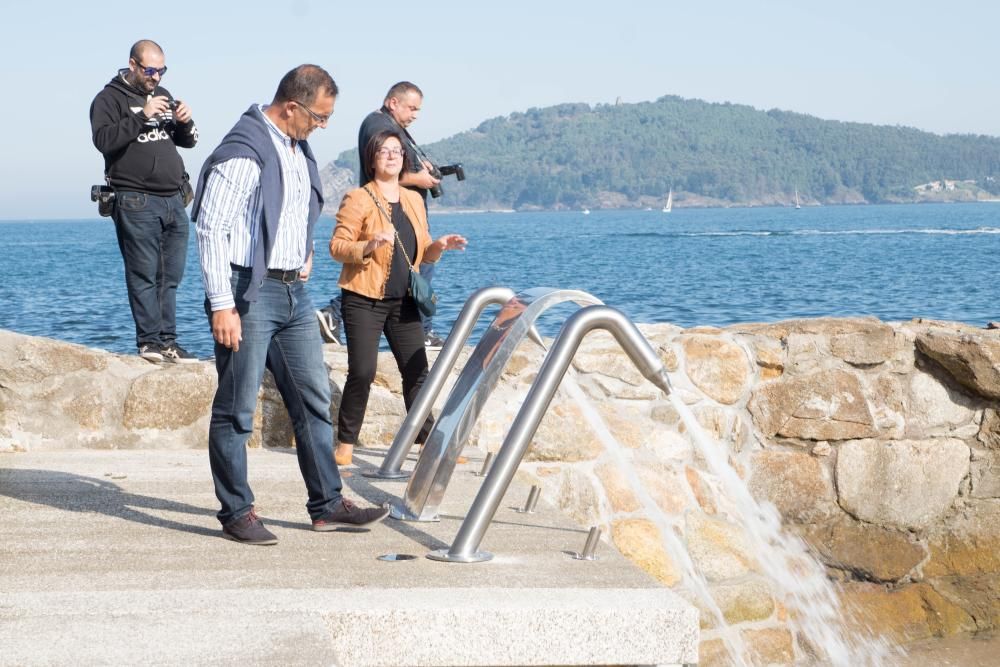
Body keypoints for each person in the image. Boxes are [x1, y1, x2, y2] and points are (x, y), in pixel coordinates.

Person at [191, 64, 389, 545]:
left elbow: (295, 208)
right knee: (237, 409)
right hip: (247, 291)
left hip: (292, 293)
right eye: (319, 117)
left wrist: (303, 250)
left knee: (313, 400)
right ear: (292, 106)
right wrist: (222, 304)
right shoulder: (244, 151)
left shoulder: (297, 148)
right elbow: (211, 228)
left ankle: (327, 504)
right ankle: (236, 510)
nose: (323, 125)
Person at [329, 129, 467, 467]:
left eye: (396, 151)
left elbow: (423, 254)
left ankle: (426, 442)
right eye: (384, 151)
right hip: (364, 297)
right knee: (362, 370)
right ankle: (345, 444)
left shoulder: (414, 200)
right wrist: (369, 245)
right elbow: (337, 247)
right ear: (372, 160)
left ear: (404, 158)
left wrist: (441, 246)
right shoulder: (358, 198)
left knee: (417, 371)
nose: (392, 156)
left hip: (404, 301)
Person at [90, 39, 199, 363]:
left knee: (171, 277)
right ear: (133, 65)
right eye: (150, 70)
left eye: (161, 71)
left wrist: (185, 122)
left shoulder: (163, 95)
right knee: (144, 273)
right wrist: (142, 116)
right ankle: (149, 342)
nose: (156, 78)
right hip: (135, 198)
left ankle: (168, 342)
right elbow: (103, 140)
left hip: (173, 199)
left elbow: (187, 142)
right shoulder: (107, 99)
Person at [317, 81, 448, 349]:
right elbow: (384, 171)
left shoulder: (388, 126)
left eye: (418, 110)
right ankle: (420, 330)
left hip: (399, 209)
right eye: (411, 108)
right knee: (413, 266)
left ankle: (334, 314)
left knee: (393, 270)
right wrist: (419, 179)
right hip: (389, 211)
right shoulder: (380, 127)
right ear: (393, 102)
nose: (415, 114)